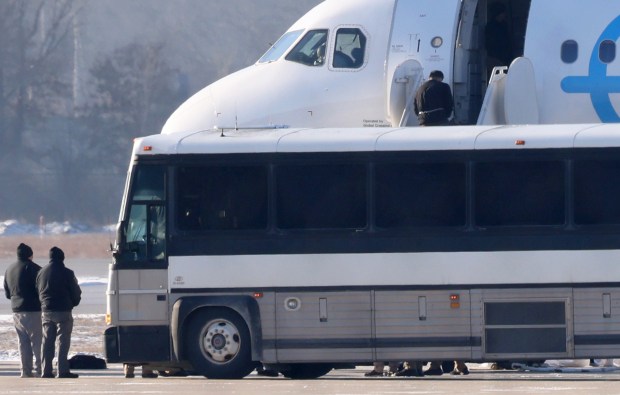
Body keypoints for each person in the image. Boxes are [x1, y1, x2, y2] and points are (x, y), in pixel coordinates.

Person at [36, 247, 82, 378]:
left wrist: (44, 304)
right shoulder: (68, 273)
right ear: (62, 258)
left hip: (46, 310)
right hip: (63, 310)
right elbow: (76, 292)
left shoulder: (41, 272)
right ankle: (62, 370)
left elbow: (38, 290)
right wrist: (73, 303)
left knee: (47, 341)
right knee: (63, 341)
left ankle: (46, 371)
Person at [3, 243, 42, 378]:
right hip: (33, 309)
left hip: (16, 310)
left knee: (23, 341)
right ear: (30, 255)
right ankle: (39, 370)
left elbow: (7, 294)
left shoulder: (9, 269)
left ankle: (25, 370)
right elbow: (42, 290)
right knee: (37, 341)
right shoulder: (35, 269)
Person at [485, 2, 513, 73]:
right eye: (503, 13)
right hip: (495, 58)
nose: (504, 15)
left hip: (502, 58)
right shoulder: (491, 27)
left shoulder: (503, 26)